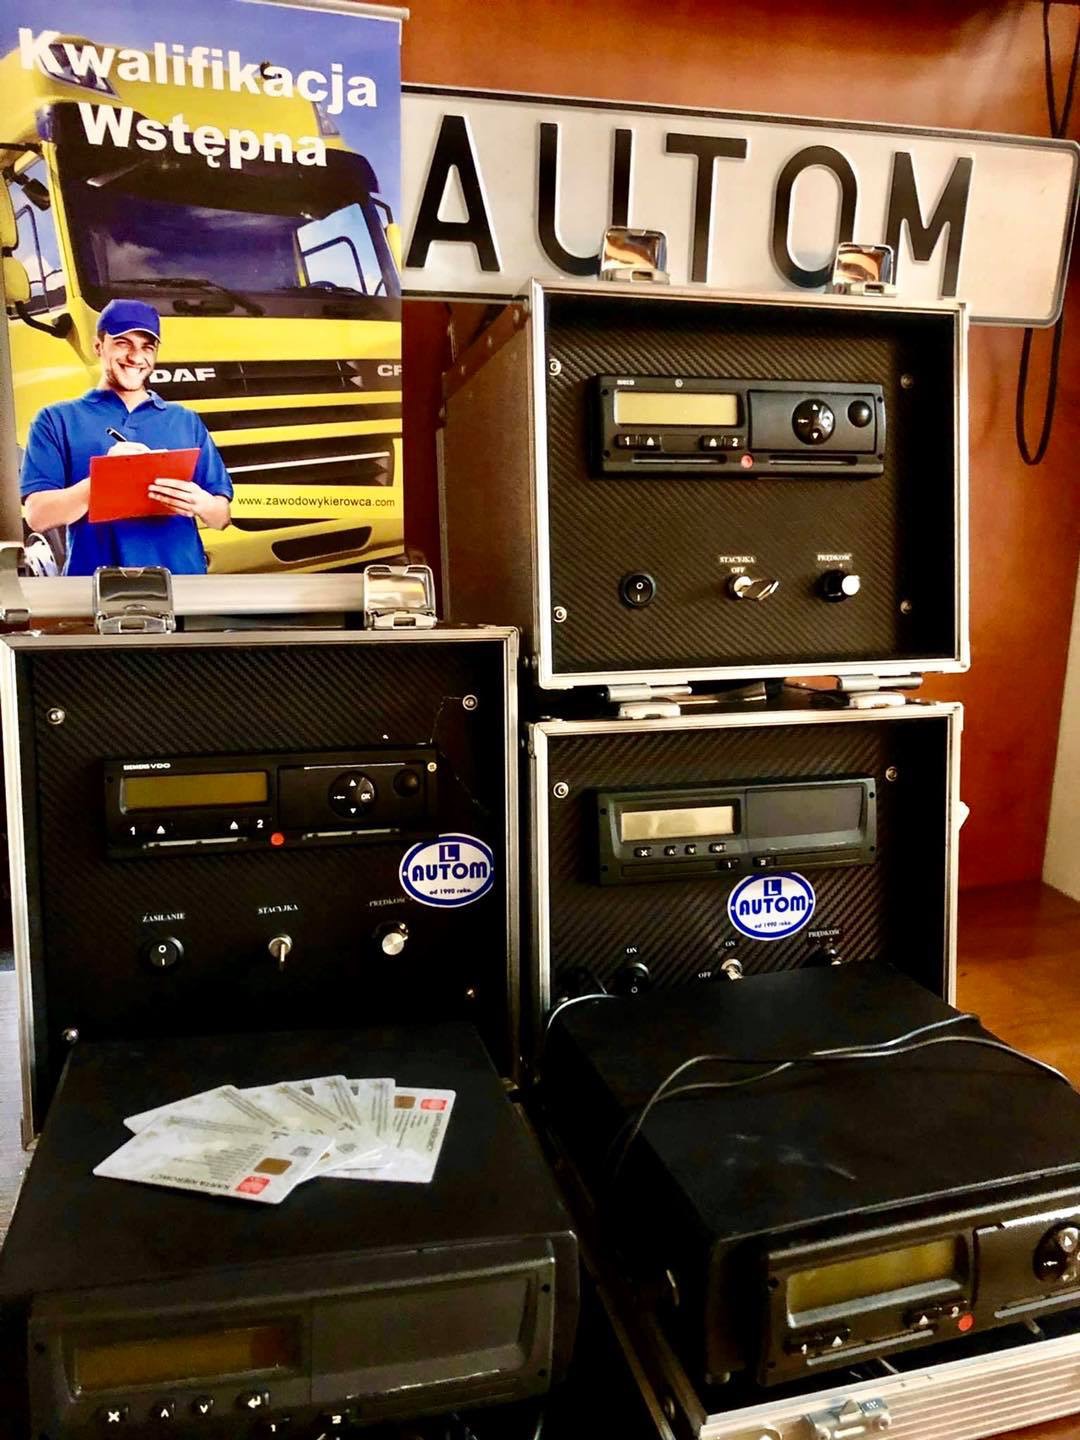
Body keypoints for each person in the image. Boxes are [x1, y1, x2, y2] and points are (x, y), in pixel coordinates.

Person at [20, 299, 232, 576]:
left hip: (182, 584)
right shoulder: (55, 420)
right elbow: (37, 516)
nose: (136, 357)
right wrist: (106, 479)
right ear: (98, 346)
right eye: (123, 343)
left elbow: (221, 517)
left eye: (147, 347)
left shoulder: (186, 420)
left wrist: (203, 503)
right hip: (96, 588)